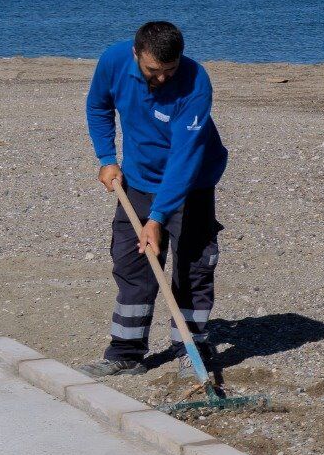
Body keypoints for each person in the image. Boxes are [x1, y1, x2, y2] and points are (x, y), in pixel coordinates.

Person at [87, 20, 228, 374]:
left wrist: (157, 218)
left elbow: (184, 159)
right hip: (137, 181)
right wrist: (107, 159)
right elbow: (98, 106)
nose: (162, 78)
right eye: (153, 70)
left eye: (170, 70)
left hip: (191, 183)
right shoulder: (114, 60)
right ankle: (125, 354)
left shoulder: (195, 83)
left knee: (192, 267)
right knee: (132, 263)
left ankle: (191, 351)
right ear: (136, 54)